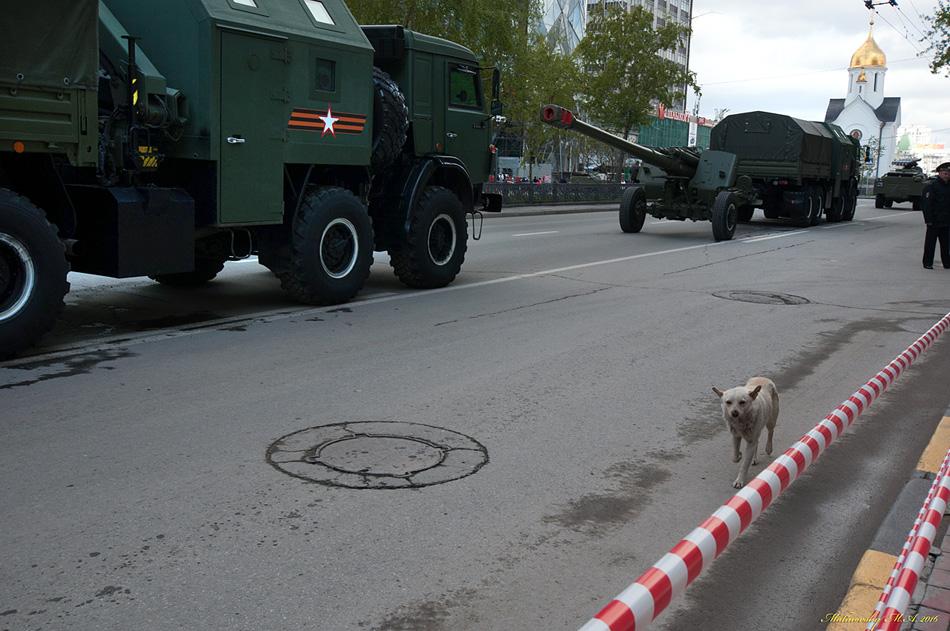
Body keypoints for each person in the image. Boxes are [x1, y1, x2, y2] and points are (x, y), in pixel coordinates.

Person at [921, 162, 950, 269]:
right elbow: (927, 204)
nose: (947, 176)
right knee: (930, 243)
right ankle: (928, 262)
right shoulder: (932, 186)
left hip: (946, 220)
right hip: (934, 220)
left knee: (946, 244)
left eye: (948, 174)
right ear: (940, 173)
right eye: (945, 173)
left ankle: (947, 263)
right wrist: (928, 219)